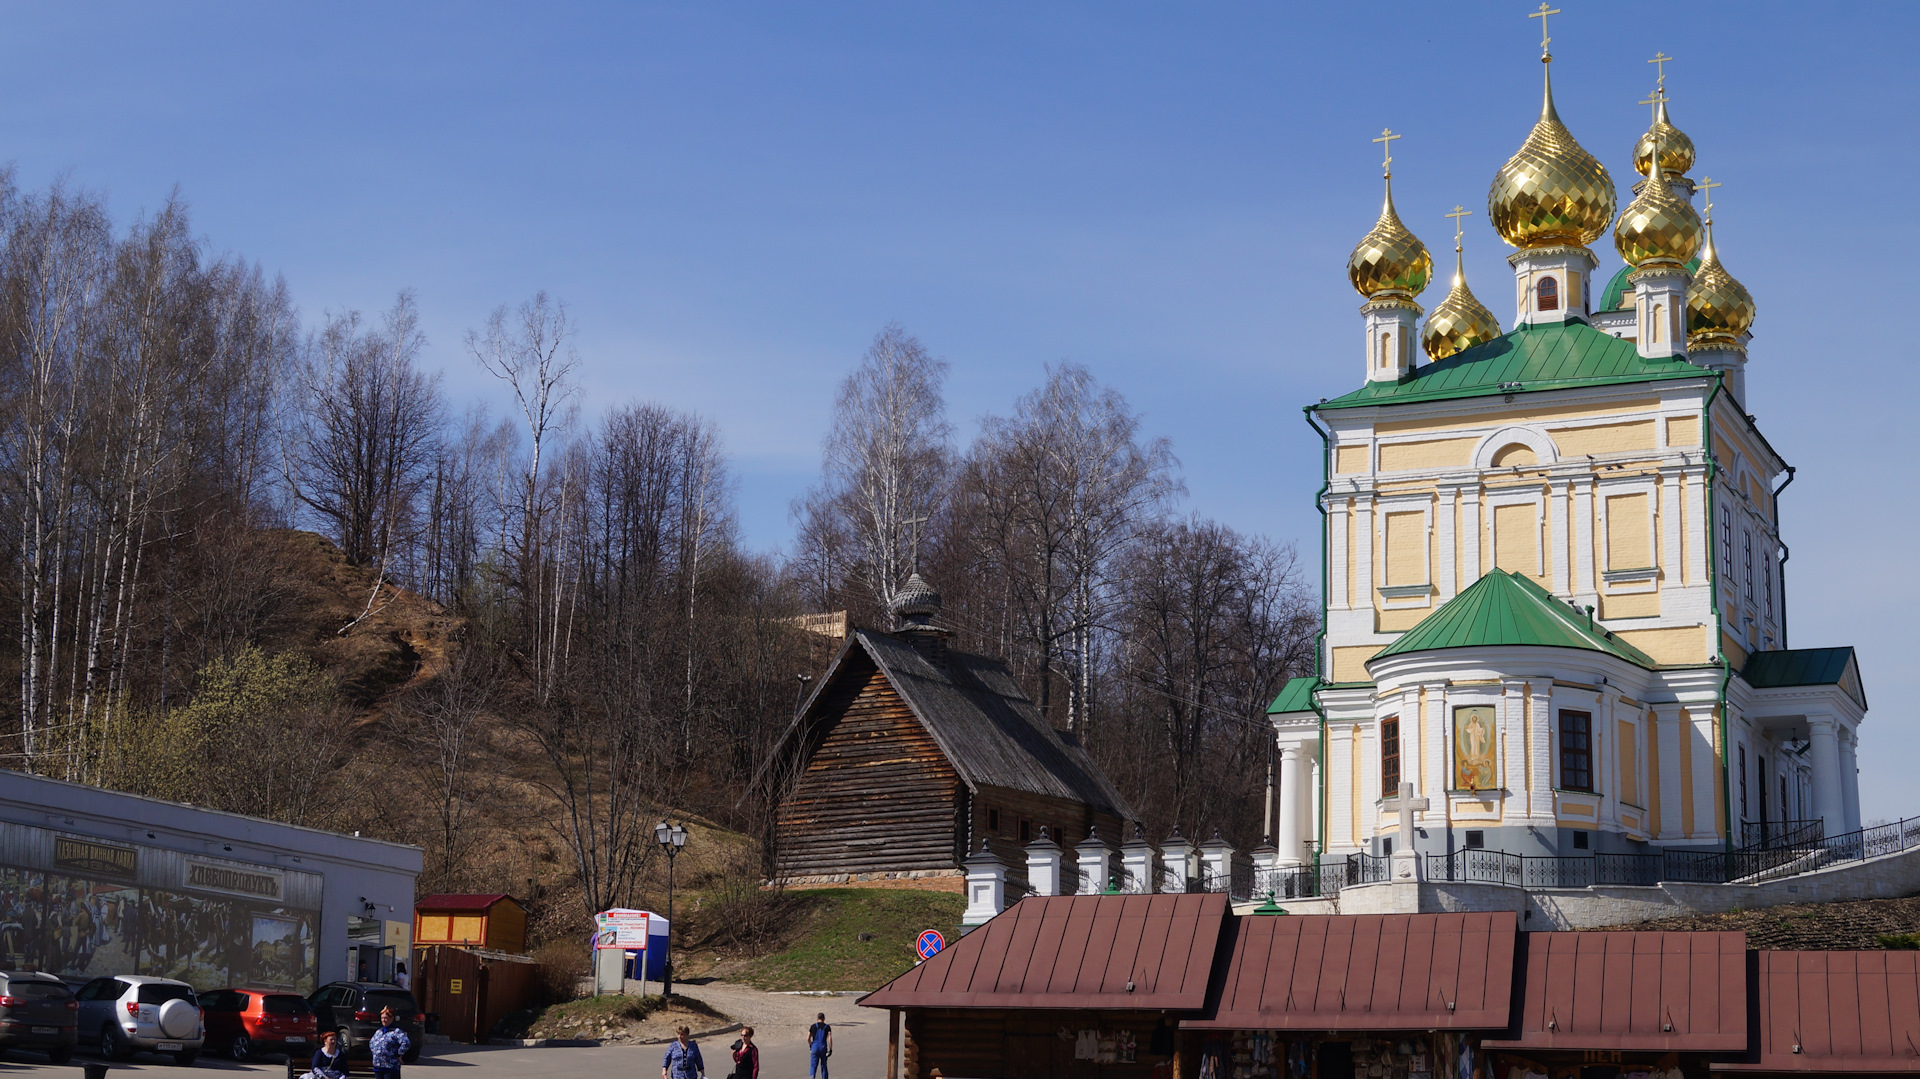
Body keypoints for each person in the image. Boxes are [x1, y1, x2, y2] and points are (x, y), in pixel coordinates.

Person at [368, 1006, 411, 1079]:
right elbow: (371, 1043)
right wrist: (376, 1053)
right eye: (382, 1018)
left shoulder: (396, 1031)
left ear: (392, 1018)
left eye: (386, 1018)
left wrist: (398, 1054)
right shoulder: (379, 1031)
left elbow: (406, 1043)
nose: (383, 1020)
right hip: (378, 1066)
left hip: (390, 1067)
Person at [808, 1013, 833, 1079]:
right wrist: (830, 1049)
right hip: (823, 1047)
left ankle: (811, 1077)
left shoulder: (813, 1026)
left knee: (813, 1065)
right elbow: (829, 1038)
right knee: (824, 1065)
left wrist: (810, 1046)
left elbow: (808, 1038)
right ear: (824, 1019)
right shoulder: (827, 1027)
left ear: (817, 1019)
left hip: (814, 1047)